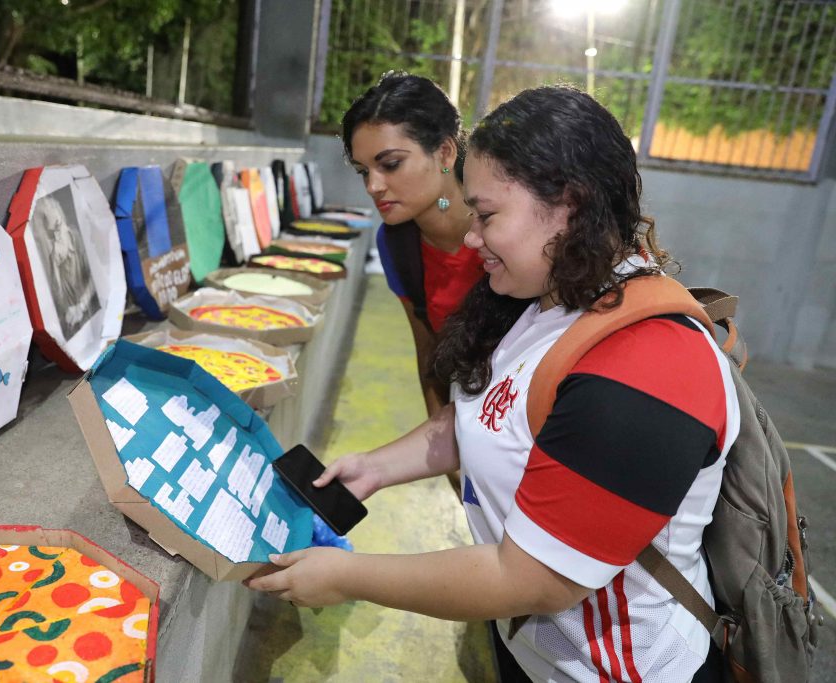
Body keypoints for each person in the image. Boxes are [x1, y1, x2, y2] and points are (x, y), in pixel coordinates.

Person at [249, 86, 737, 683]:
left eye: (486, 215)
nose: (470, 236)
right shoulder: (550, 304)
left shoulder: (650, 364)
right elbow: (493, 416)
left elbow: (530, 579)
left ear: (568, 204)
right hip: (536, 651)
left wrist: (347, 576)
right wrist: (375, 468)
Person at [343, 72, 486, 420]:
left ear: (445, 153)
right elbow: (430, 357)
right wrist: (448, 457)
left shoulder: (501, 233)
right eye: (363, 171)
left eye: (390, 164)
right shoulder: (397, 243)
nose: (373, 186)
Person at [32, 190, 100, 341]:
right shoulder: (51, 257)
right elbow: (56, 301)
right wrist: (55, 267)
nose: (57, 239)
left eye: (58, 230)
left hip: (92, 318)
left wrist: (81, 305)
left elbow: (96, 277)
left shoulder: (75, 237)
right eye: (51, 236)